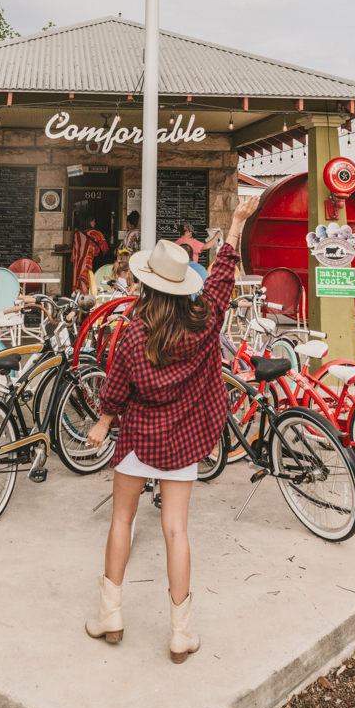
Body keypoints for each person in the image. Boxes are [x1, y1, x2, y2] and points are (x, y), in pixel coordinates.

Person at [85, 196, 261, 663]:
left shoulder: (133, 330)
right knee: (176, 531)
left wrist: (104, 420)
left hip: (139, 438)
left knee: (122, 520)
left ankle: (111, 615)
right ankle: (180, 632)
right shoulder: (205, 322)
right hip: (183, 439)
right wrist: (238, 221)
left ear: (145, 284)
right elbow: (224, 276)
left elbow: (117, 385)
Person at [71, 214, 108, 293]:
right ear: (88, 222)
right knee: (91, 281)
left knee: (81, 281)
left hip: (79, 264)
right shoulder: (96, 233)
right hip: (91, 262)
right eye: (93, 221)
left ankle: (81, 297)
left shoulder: (77, 234)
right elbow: (105, 248)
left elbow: (73, 253)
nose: (95, 223)